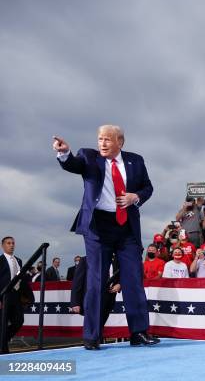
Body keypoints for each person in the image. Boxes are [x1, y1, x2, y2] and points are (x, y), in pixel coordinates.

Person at [53, 125, 159, 350]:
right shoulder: (88, 156)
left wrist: (135, 196)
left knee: (133, 280)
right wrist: (64, 153)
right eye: (100, 139)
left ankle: (139, 333)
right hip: (97, 228)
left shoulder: (135, 161)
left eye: (107, 140)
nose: (102, 143)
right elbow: (73, 164)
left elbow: (148, 187)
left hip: (126, 228)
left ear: (120, 142)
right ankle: (92, 335)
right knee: (96, 281)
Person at [70, 256, 120, 344]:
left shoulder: (116, 260)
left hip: (109, 297)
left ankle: (96, 342)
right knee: (93, 323)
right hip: (92, 297)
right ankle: (91, 342)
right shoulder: (86, 260)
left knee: (100, 324)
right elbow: (77, 282)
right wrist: (75, 302)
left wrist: (119, 284)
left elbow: (121, 275)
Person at [0, 236, 34, 353]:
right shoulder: (0, 260)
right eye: (8, 243)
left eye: (13, 243)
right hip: (4, 296)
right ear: (3, 246)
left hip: (16, 296)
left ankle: (3, 340)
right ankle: (3, 351)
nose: (11, 245)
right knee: (2, 324)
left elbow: (22, 279)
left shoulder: (18, 260)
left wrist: (29, 296)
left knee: (19, 321)